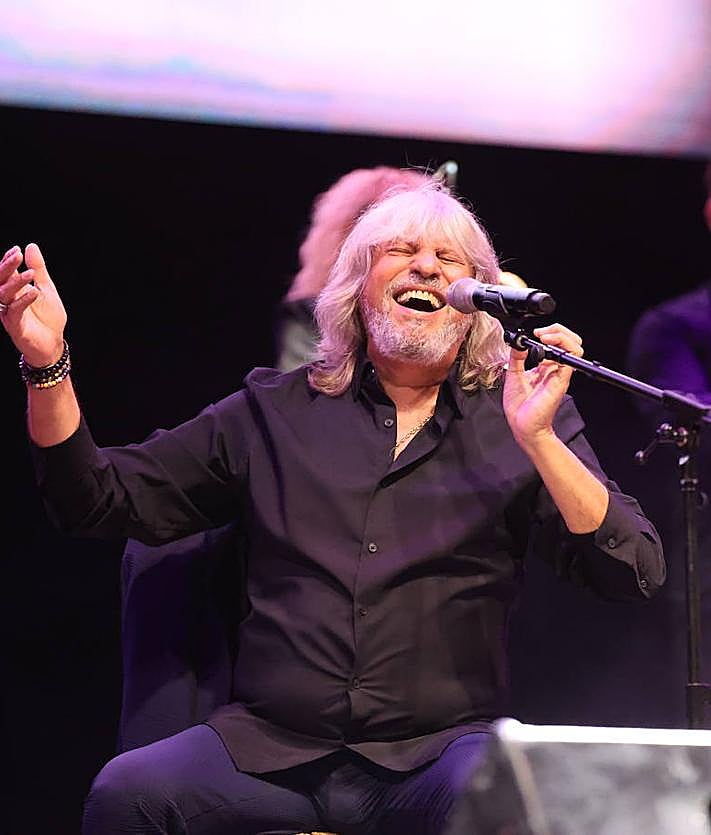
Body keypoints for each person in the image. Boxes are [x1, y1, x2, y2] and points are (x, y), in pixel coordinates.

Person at [0, 181, 665, 835]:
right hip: (269, 751)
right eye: (399, 249)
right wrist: (47, 363)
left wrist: (540, 438)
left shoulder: (518, 420)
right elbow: (94, 498)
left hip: (433, 758)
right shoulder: (272, 410)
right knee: (128, 794)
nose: (426, 266)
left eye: (449, 259)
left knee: (510, 804)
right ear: (357, 286)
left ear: (478, 303)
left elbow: (631, 568)